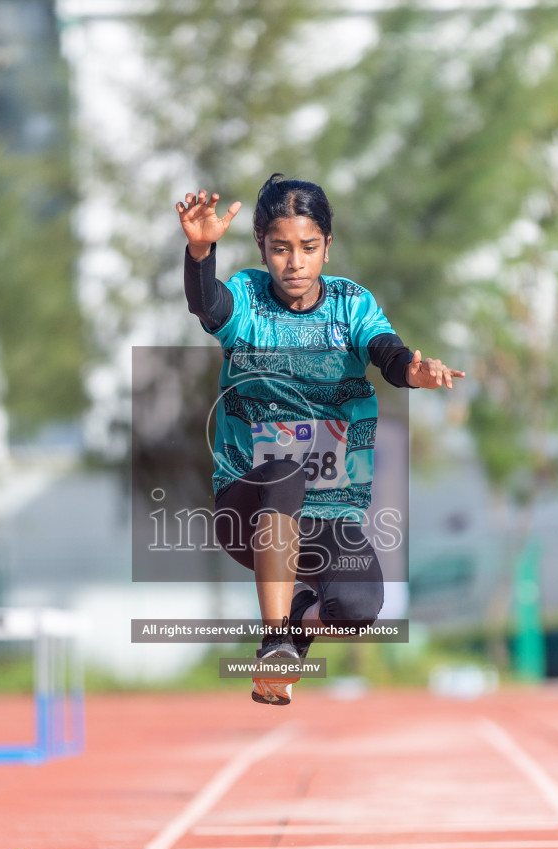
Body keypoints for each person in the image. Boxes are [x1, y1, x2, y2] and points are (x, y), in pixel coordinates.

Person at [176, 174, 464, 706]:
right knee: (286, 470)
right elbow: (208, 306)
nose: (294, 263)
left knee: (358, 610)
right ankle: (273, 644)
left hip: (329, 515)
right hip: (249, 506)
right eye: (280, 249)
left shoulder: (351, 305)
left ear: (327, 248)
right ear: (262, 244)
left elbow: (388, 353)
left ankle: (298, 624)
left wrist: (413, 373)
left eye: (308, 248)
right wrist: (200, 251)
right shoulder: (246, 298)